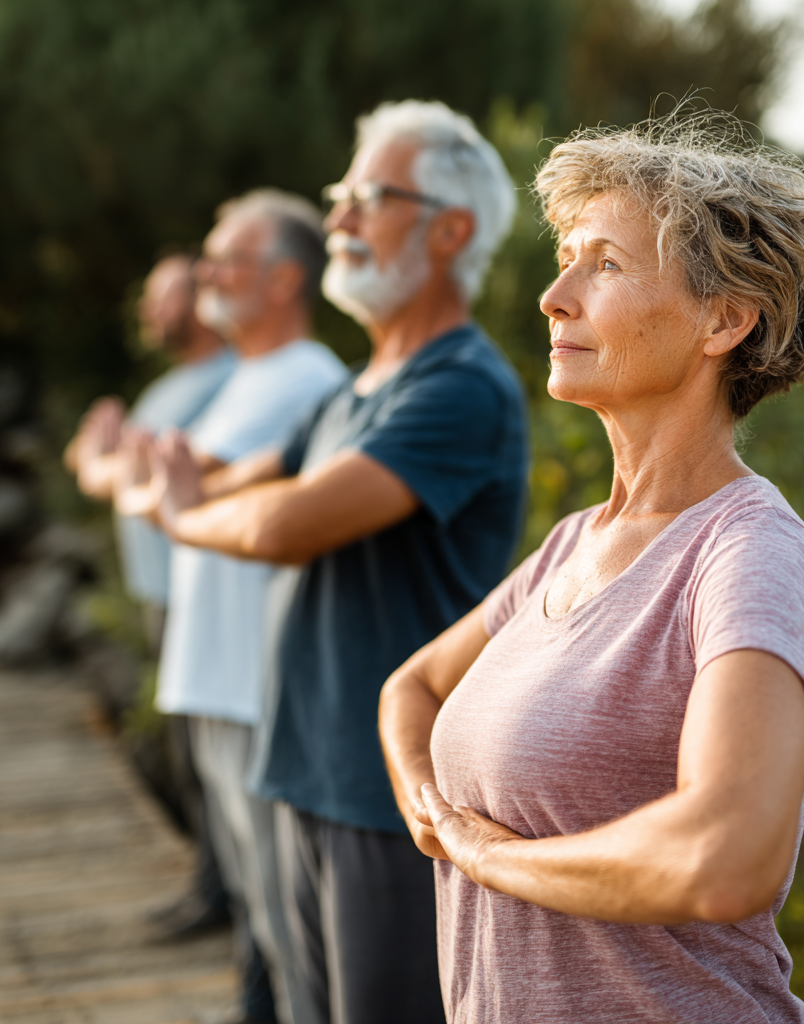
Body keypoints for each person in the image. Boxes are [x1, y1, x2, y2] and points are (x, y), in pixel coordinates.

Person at [378, 115, 804, 1024]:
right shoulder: (571, 544)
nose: (554, 297)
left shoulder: (749, 551)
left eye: (603, 264)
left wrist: (487, 859)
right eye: (565, 259)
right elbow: (409, 689)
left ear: (724, 319)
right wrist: (434, 819)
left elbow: (727, 855)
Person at [143, 100, 528, 1024]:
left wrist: (181, 514)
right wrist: (173, 479)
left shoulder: (460, 387)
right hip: (300, 764)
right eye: (339, 196)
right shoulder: (353, 392)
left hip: (385, 791)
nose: (340, 221)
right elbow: (247, 483)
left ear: (452, 230)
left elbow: (287, 524)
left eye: (368, 197)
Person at [120, 189, 348, 1024]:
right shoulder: (249, 375)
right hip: (219, 674)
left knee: (288, 919)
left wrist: (155, 481)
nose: (207, 273)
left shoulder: (306, 378)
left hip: (259, 678)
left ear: (285, 279)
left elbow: (158, 484)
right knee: (257, 900)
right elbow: (161, 483)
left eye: (226, 259)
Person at [64, 253, 237, 939]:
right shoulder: (175, 385)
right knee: (186, 751)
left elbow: (117, 474)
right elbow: (106, 469)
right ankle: (209, 883)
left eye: (162, 298)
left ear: (199, 303)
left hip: (193, 597)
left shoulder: (221, 383)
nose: (147, 312)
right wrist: (97, 458)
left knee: (204, 755)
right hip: (158, 593)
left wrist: (95, 457)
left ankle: (220, 896)